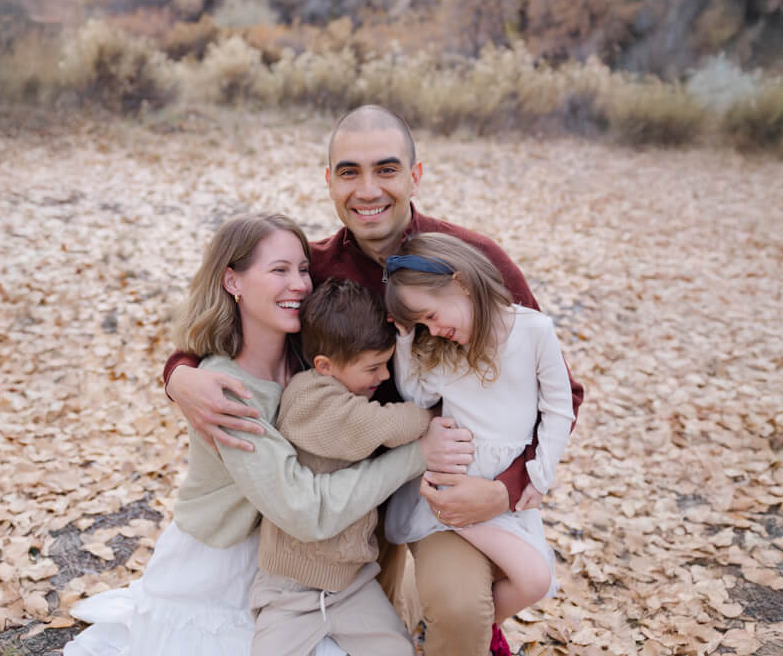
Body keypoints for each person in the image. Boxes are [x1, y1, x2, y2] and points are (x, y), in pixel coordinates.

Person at [162, 105, 584, 656]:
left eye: (386, 170)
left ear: (415, 175)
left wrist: (502, 488)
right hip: (344, 493)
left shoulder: (473, 262)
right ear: (330, 181)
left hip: (447, 481)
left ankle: (464, 623)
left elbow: (558, 389)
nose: (367, 190)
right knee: (371, 627)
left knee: (457, 607)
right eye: (348, 172)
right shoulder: (313, 271)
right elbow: (229, 319)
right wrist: (179, 375)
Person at [63, 214, 460, 656]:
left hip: (307, 562)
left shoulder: (310, 357)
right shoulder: (225, 388)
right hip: (226, 564)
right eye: (278, 270)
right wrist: (417, 453)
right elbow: (305, 509)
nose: (299, 285)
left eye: (303, 269)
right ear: (232, 280)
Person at [384, 232, 575, 625]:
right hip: (452, 491)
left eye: (431, 316)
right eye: (421, 324)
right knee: (534, 578)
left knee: (530, 580)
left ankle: (471, 634)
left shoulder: (534, 332)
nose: (431, 331)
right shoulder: (445, 352)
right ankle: (476, 636)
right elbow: (416, 396)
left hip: (499, 489)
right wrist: (405, 340)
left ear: (463, 284)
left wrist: (539, 476)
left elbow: (559, 406)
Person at [252, 278, 433, 656]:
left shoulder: (344, 395)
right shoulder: (309, 399)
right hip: (291, 588)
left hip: (352, 584)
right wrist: (431, 416)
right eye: (374, 368)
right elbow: (381, 425)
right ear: (325, 366)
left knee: (396, 648)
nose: (383, 378)